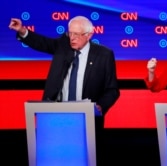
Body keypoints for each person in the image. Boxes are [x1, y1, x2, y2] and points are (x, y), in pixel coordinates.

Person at [9, 16, 120, 166]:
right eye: (70, 33)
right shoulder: (63, 46)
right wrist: (22, 31)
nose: (72, 38)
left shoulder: (104, 55)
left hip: (87, 120)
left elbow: (112, 89)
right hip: (56, 117)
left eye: (77, 34)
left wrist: (100, 106)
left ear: (89, 35)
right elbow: (43, 43)